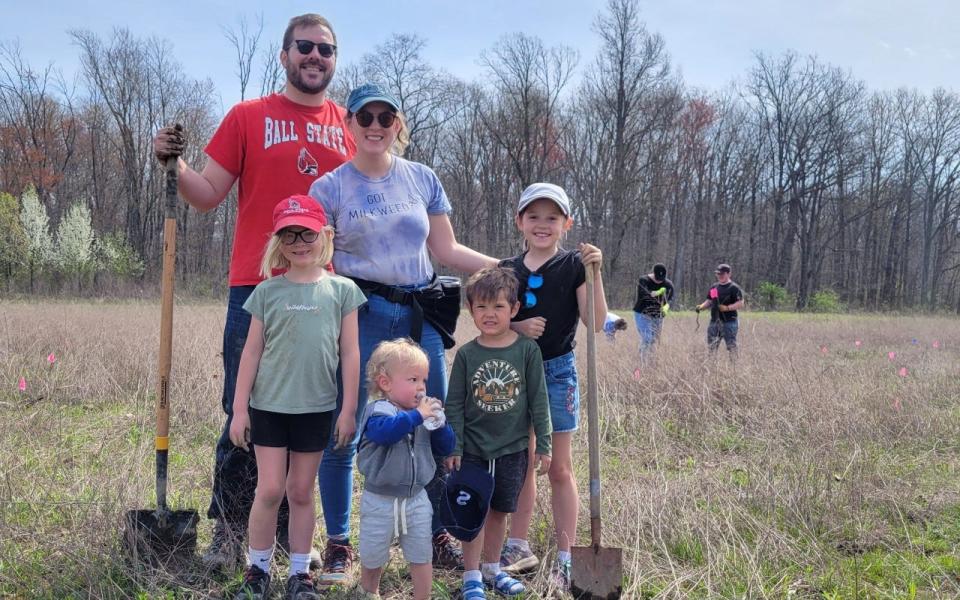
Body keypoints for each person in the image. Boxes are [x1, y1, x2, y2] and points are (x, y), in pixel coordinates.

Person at [152, 13, 356, 575]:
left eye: (326, 50)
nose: (316, 57)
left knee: (313, 410)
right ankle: (229, 532)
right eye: (305, 47)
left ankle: (296, 540)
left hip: (325, 291)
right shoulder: (248, 116)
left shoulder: (350, 124)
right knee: (243, 413)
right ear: (285, 54)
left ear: (334, 59)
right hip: (256, 286)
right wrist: (175, 164)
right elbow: (206, 194)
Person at [308, 82, 497, 577]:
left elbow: (448, 251)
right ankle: (339, 542)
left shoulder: (422, 178)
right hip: (361, 316)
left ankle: (433, 532)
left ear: (398, 125)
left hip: (420, 318)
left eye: (385, 118)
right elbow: (316, 263)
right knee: (346, 425)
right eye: (364, 117)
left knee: (431, 419)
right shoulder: (328, 188)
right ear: (347, 124)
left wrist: (510, 268)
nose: (374, 126)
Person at [229, 195, 365, 600]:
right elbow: (250, 352)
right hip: (269, 407)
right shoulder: (267, 292)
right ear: (278, 241)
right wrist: (239, 409)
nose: (299, 242)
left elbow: (350, 353)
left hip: (318, 408)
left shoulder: (343, 290)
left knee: (301, 492)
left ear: (324, 235)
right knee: (270, 490)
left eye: (307, 232)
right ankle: (257, 571)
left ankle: (300, 574)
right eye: (289, 234)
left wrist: (349, 409)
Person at [498, 182, 606, 590]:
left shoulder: (575, 266)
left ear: (566, 224)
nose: (543, 225)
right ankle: (518, 545)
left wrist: (596, 273)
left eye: (553, 218)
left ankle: (565, 558)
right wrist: (516, 324)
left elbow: (595, 322)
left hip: (558, 372)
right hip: (515, 371)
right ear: (520, 221)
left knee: (559, 466)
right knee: (522, 463)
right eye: (534, 216)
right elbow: (488, 318)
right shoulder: (506, 269)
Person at [444, 267, 552, 599]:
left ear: (514, 309)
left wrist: (544, 444)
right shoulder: (467, 354)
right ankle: (472, 576)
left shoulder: (526, 351)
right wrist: (455, 445)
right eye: (481, 307)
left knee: (501, 511)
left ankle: (492, 569)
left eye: (499, 307)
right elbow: (455, 404)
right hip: (474, 450)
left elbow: (539, 400)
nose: (490, 315)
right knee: (473, 511)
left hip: (513, 449)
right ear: (471, 309)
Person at [355, 339, 456, 600]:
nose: (421, 387)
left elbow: (445, 447)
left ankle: (423, 596)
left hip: (417, 498)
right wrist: (418, 417)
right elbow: (386, 434)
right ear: (385, 383)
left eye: (424, 380)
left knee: (421, 552)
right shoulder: (378, 411)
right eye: (413, 379)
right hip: (380, 499)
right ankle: (369, 592)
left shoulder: (419, 413)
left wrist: (441, 425)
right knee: (373, 552)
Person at [695, 263, 744, 354]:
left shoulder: (734, 288)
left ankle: (734, 366)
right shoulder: (714, 287)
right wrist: (701, 306)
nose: (719, 276)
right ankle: (712, 366)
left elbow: (741, 303)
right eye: (718, 274)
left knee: (731, 346)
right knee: (712, 347)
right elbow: (709, 301)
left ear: (729, 274)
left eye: (722, 274)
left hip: (729, 322)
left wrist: (727, 308)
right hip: (714, 321)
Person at [632, 263, 675, 361]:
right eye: (657, 278)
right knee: (647, 338)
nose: (660, 281)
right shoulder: (644, 281)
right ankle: (643, 361)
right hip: (642, 313)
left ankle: (651, 360)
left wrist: (667, 306)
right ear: (653, 274)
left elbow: (671, 298)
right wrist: (657, 293)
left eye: (662, 279)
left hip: (658, 315)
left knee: (654, 340)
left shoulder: (668, 284)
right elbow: (644, 295)